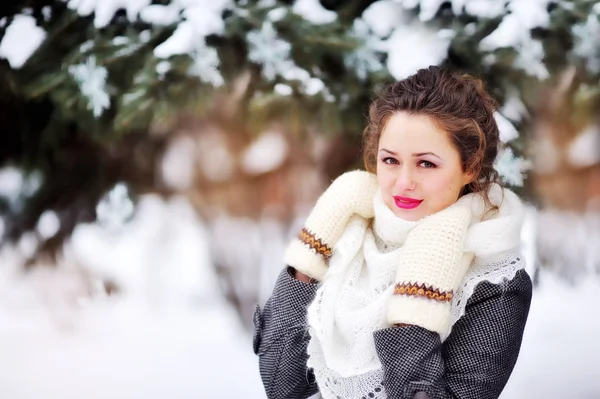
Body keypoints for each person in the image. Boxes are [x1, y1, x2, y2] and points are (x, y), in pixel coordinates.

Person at [252, 66, 533, 399]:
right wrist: (309, 254)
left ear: (469, 166)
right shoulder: (347, 234)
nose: (403, 183)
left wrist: (417, 303)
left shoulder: (494, 281)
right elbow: (282, 387)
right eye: (390, 160)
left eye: (426, 163)